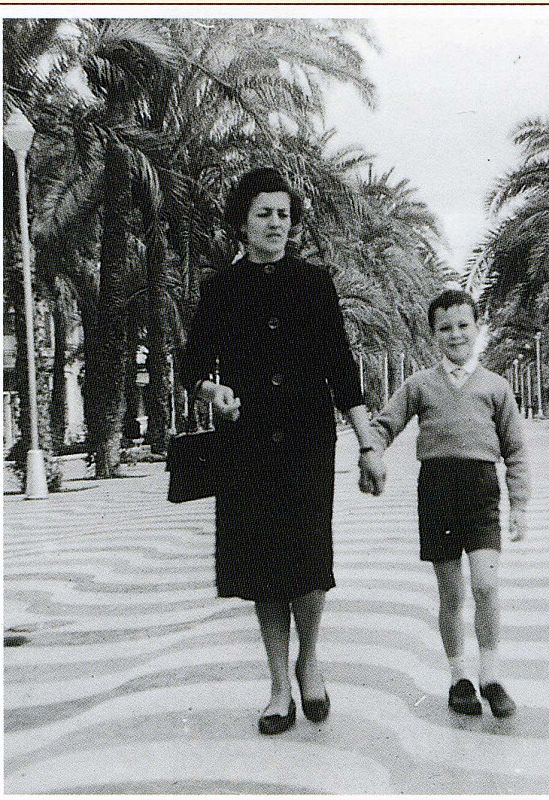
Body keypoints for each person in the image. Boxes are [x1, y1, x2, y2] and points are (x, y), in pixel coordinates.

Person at [180, 167, 385, 735]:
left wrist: (368, 442)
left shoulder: (313, 283)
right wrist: (212, 391)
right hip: (246, 442)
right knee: (263, 563)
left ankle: (309, 660)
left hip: (305, 439)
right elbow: (191, 365)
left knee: (309, 557)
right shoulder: (220, 289)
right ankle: (277, 684)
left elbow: (342, 370)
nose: (276, 223)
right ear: (241, 223)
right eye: (264, 213)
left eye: (284, 214)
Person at [359, 289, 529, 718]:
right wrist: (372, 450)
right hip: (436, 490)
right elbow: (385, 423)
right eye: (445, 328)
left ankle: (490, 675)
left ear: (477, 328)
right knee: (451, 593)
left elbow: (515, 450)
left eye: (463, 326)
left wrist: (519, 504)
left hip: (481, 490)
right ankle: (459, 679)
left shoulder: (496, 387)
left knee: (486, 585)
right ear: (434, 334)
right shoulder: (419, 384)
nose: (455, 335)